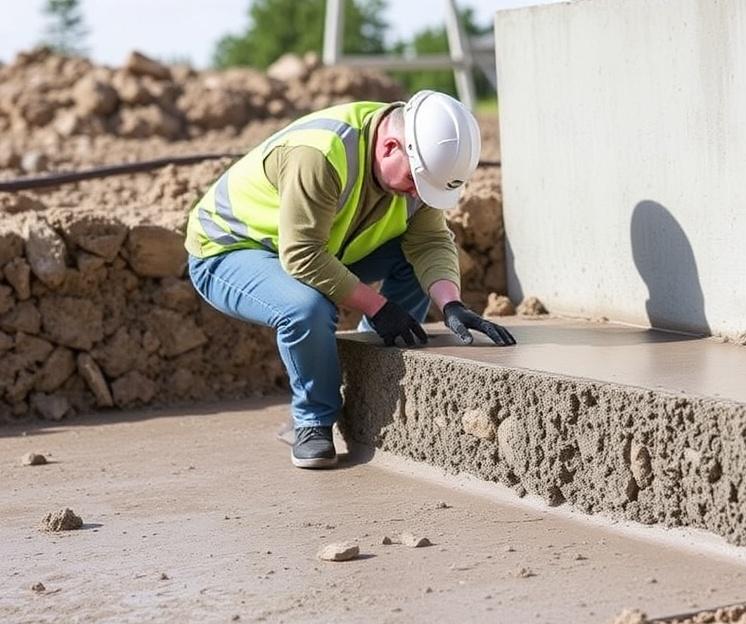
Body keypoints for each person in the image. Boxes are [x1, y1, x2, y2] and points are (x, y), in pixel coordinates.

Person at [185, 90, 516, 469]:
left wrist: (450, 303)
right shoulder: (320, 154)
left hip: (327, 244)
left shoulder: (416, 163)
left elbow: (429, 241)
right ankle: (312, 421)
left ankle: (367, 374)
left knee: (411, 264)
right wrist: (378, 306)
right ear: (390, 147)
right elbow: (303, 256)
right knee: (305, 308)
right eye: (413, 182)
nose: (416, 193)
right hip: (230, 249)